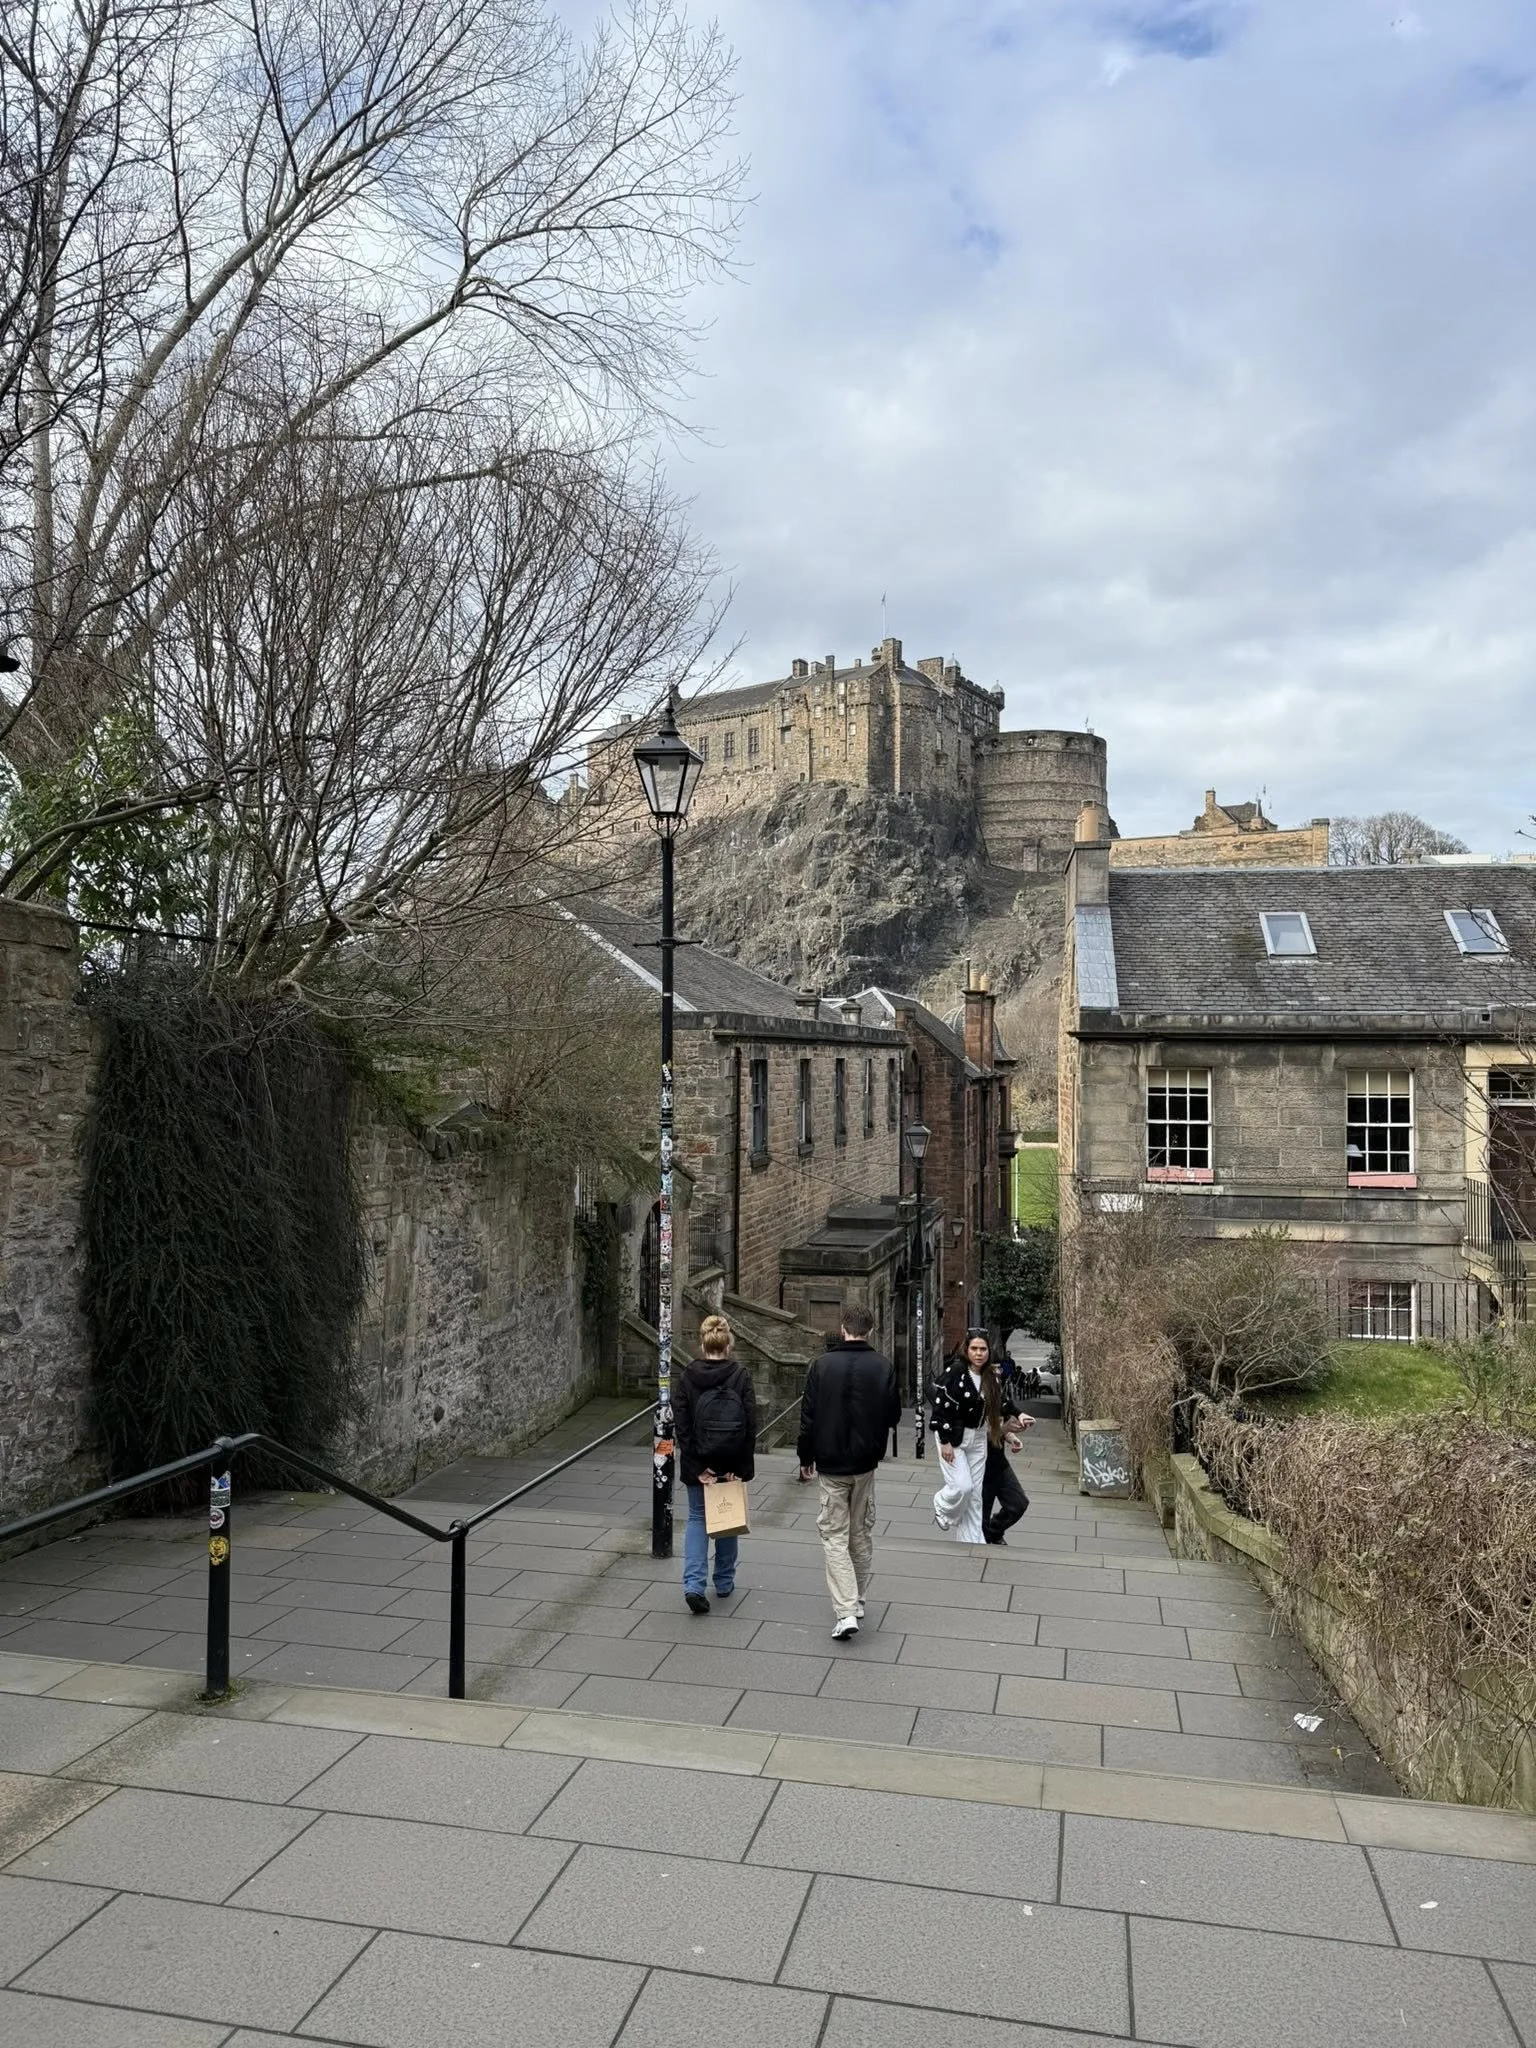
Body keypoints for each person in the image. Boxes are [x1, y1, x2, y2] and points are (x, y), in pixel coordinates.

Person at [796, 1306, 902, 1641]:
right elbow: (893, 1415)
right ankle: (858, 1599)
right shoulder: (883, 1366)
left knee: (834, 1536)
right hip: (865, 1463)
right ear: (869, 1330)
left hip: (830, 1462)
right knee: (860, 1533)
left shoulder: (822, 1366)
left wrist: (805, 1456)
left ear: (843, 1328)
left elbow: (808, 1416)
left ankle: (845, 1610)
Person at [674, 1313, 757, 1616]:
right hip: (730, 1460)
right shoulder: (741, 1376)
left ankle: (694, 1586)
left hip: (700, 1463)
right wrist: (739, 1468)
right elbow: (750, 1425)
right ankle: (723, 1581)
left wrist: (697, 1467)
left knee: (697, 1518)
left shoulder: (687, 1376)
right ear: (728, 1343)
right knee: (727, 1519)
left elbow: (682, 1426)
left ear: (702, 1342)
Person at [931, 1328, 1030, 1543]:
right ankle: (943, 1505)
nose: (979, 1353)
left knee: (975, 1496)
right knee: (963, 1487)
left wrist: (1019, 1415)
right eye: (974, 1349)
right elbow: (941, 1408)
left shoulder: (988, 1377)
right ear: (966, 1350)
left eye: (983, 1349)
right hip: (954, 1436)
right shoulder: (956, 1371)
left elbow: (1001, 1404)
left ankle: (972, 1540)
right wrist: (945, 1442)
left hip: (977, 1439)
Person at [982, 1340, 1034, 1545]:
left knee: (1018, 1503)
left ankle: (994, 1531)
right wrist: (1005, 1430)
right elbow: (978, 1435)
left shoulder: (997, 1392)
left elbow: (1000, 1422)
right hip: (980, 1462)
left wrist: (1012, 1437)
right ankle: (984, 1541)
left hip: (998, 1459)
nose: (997, 1374)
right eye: (992, 1370)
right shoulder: (977, 1395)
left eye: (999, 1369)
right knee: (980, 1516)